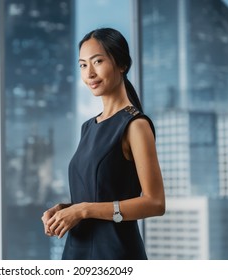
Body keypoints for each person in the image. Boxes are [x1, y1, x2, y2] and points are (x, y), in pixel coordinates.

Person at [41, 27, 165, 260]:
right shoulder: (88, 127)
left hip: (115, 254)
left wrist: (83, 209)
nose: (89, 73)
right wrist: (67, 210)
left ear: (121, 65)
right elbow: (99, 193)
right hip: (76, 252)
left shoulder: (136, 125)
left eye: (97, 61)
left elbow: (155, 203)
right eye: (83, 65)